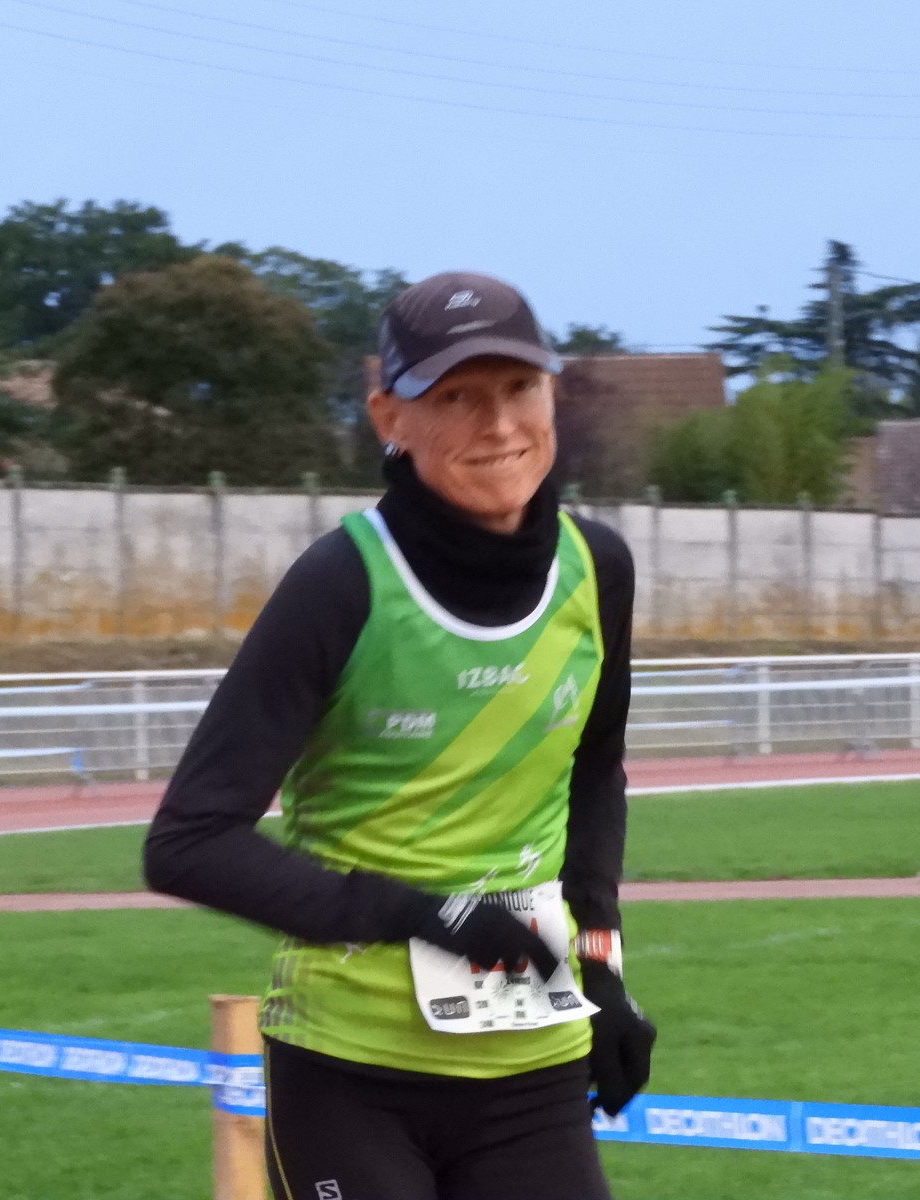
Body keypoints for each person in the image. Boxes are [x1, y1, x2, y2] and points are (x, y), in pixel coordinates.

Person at [145, 271, 654, 1200]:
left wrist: (601, 966)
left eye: (519, 387)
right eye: (455, 397)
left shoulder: (598, 568)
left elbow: (594, 771)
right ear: (390, 417)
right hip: (352, 1074)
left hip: (534, 1070)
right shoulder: (341, 583)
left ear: (552, 395)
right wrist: (429, 916)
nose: (498, 424)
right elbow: (189, 842)